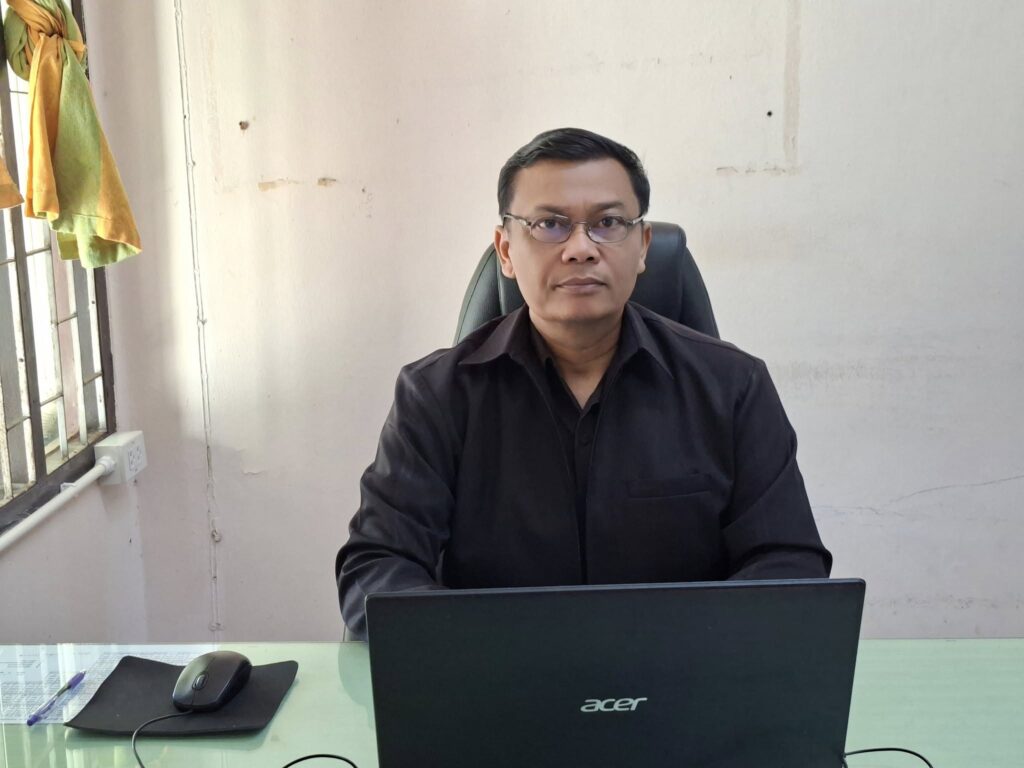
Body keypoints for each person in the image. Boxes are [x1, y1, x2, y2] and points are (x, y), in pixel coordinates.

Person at [336, 128, 831, 639]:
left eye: (608, 223)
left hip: (681, 676)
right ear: (506, 251)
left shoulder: (734, 386)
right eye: (549, 224)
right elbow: (378, 569)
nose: (580, 248)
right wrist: (494, 653)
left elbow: (788, 564)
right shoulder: (436, 395)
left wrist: (684, 652)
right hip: (498, 676)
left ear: (643, 246)